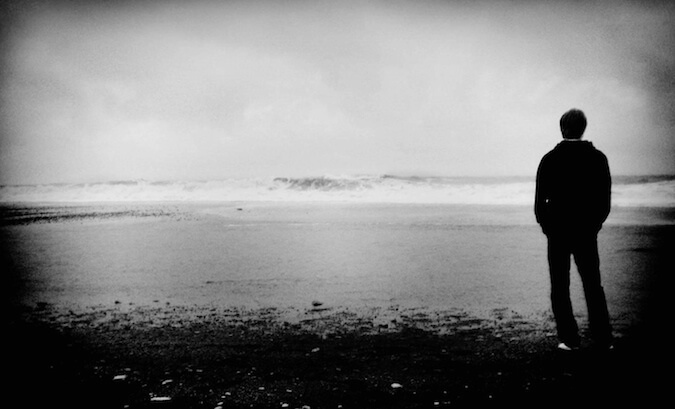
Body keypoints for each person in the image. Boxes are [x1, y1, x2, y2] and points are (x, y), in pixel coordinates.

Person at [535, 108, 613, 351]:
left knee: (560, 286)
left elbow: (540, 203)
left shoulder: (549, 159)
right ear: (583, 128)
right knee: (593, 285)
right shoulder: (598, 158)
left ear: (562, 128)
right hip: (586, 232)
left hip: (557, 232)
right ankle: (603, 338)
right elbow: (604, 201)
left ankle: (569, 339)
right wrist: (595, 225)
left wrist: (548, 227)